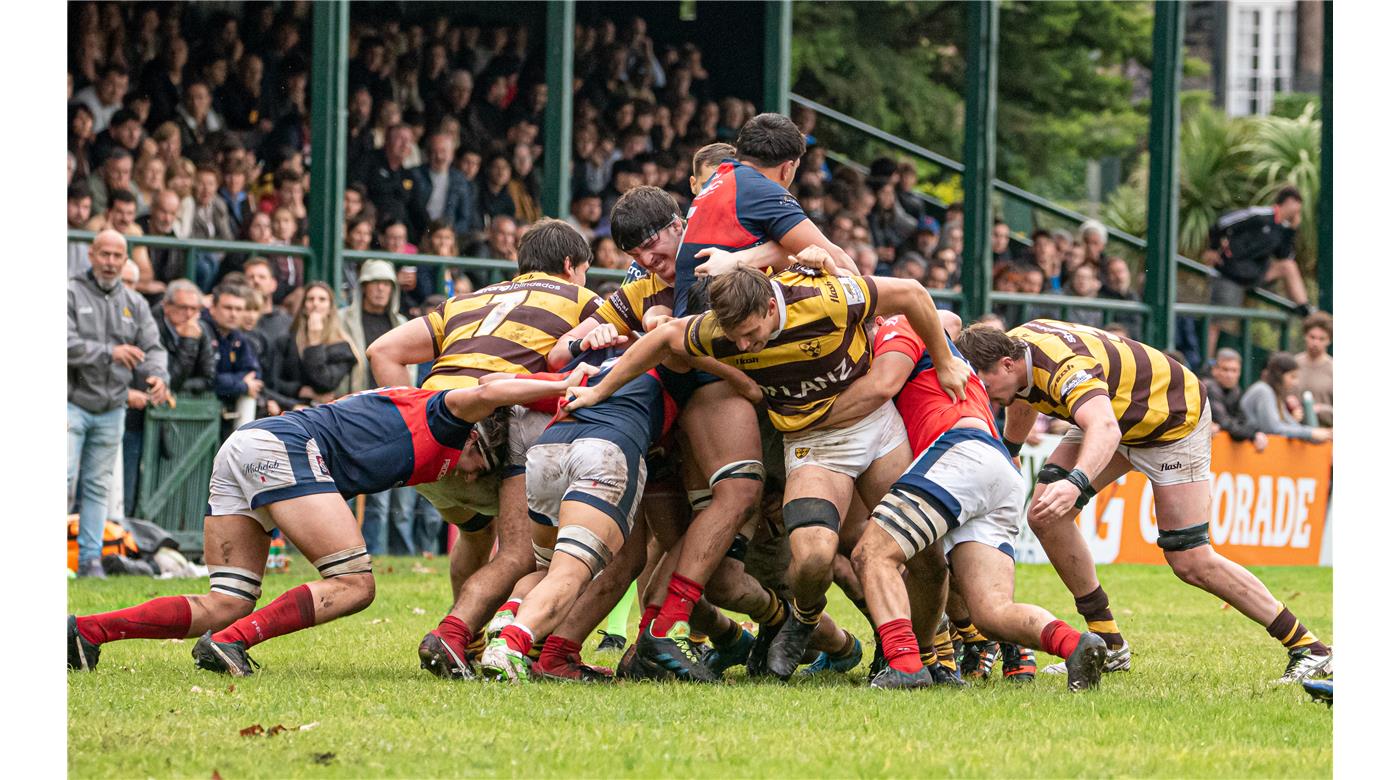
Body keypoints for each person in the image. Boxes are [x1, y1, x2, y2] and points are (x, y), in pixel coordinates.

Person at [565, 262, 971, 681]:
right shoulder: (720, 329)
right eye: (735, 337)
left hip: (877, 427)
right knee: (814, 558)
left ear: (771, 307)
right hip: (813, 443)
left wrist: (944, 360)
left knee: (924, 558)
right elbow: (665, 338)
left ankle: (924, 656)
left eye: (749, 332)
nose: (744, 344)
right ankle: (804, 618)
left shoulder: (825, 299)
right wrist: (600, 390)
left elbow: (911, 292)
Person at [68, 368, 593, 675]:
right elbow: (487, 390)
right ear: (476, 437)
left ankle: (86, 632)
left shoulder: (425, 430)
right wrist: (563, 384)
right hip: (287, 448)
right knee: (355, 584)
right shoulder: (445, 414)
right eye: (482, 465)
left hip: (249, 445)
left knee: (226, 601)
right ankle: (231, 643)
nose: (473, 476)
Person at [958, 319, 1333, 683]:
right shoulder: (1015, 354)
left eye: (986, 387)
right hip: (1118, 416)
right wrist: (1011, 450)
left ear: (1007, 364)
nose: (986, 398)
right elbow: (1022, 397)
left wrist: (1075, 482)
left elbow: (1104, 429)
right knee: (1046, 514)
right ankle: (1109, 642)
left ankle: (1309, 647)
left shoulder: (1062, 367)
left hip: (1172, 423)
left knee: (1190, 558)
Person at [365, 220, 604, 679]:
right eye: (585, 270)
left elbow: (382, 351)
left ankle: (468, 642)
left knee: (476, 533)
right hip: (493, 430)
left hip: (431, 431)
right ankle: (454, 632)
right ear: (570, 265)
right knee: (521, 554)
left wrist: (415, 421)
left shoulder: (465, 300)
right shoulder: (580, 299)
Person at [820, 311, 1108, 690]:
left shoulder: (898, 327)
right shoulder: (938, 344)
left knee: (871, 554)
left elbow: (933, 324)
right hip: (995, 466)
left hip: (958, 452)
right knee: (991, 612)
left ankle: (905, 664)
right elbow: (950, 321)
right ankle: (1075, 644)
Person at [68, 230, 170, 578]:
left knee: (98, 486)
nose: (111, 262)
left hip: (112, 408)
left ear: (126, 260)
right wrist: (109, 352)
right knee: (62, 480)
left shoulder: (135, 303)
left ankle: (90, 561)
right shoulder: (69, 292)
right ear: (91, 255)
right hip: (69, 403)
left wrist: (158, 376)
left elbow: (153, 348)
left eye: (117, 256)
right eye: (105, 254)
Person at [123, 279, 218, 515]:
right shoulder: (151, 327)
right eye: (183, 307)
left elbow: (208, 377)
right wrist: (188, 345)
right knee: (130, 482)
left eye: (194, 308)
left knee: (166, 486)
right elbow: (165, 378)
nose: (189, 314)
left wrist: (178, 387)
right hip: (137, 417)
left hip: (172, 421)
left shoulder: (199, 329)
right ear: (166, 306)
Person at [1205, 187, 1313, 355]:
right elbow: (1223, 222)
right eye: (1297, 205)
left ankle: (1305, 310)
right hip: (1231, 275)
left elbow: (1285, 256)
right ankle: (1206, 361)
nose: (1298, 211)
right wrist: (1212, 249)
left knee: (1288, 266)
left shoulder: (1282, 229)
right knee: (1217, 323)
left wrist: (1291, 231)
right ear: (1289, 202)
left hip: (1256, 275)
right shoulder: (1259, 215)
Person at [264, 282, 360, 409]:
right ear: (304, 306)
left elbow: (325, 383)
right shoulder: (286, 341)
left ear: (330, 308)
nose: (315, 303)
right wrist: (301, 390)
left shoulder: (342, 348)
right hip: (292, 409)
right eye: (310, 299)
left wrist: (314, 343)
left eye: (322, 299)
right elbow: (272, 382)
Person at [1240, 353, 1332, 444]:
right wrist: (1311, 433)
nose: (1295, 382)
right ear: (1279, 375)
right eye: (1292, 377)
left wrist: (1320, 433)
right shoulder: (1263, 390)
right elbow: (1274, 428)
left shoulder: (1275, 394)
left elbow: (1290, 424)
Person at [207, 285, 265, 427]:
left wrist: (234, 383)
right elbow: (209, 379)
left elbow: (254, 374)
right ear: (213, 308)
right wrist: (243, 385)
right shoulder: (203, 331)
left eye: (238, 309)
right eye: (228, 308)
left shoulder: (237, 336)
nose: (233, 314)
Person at [409, 132, 481, 238]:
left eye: (443, 151)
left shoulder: (460, 180)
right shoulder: (414, 175)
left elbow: (465, 217)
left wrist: (448, 234)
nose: (439, 156)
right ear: (428, 153)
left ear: (452, 154)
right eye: (434, 151)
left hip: (450, 236)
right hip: (420, 234)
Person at [1202, 348, 1269, 452]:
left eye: (1234, 370)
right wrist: (1252, 434)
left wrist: (1253, 432)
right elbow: (1224, 422)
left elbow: (1242, 419)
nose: (1230, 375)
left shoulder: (1235, 390)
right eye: (1225, 369)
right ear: (1215, 370)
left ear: (1239, 372)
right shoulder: (1208, 387)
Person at [1294, 311, 1333, 427]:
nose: (1315, 343)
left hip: (1325, 432)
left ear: (1329, 341)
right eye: (1312, 337)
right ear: (1305, 336)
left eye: (1321, 339)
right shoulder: (1293, 364)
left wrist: (1321, 410)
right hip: (1295, 430)